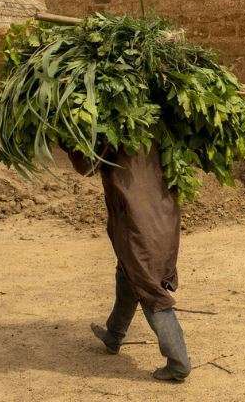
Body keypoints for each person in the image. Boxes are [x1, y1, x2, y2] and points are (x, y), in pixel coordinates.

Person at [62, 143, 191, 382]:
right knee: (128, 273)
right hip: (164, 218)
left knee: (150, 289)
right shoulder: (156, 127)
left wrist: (67, 141)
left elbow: (87, 165)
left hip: (137, 224)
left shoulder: (113, 132)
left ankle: (178, 363)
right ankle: (114, 335)